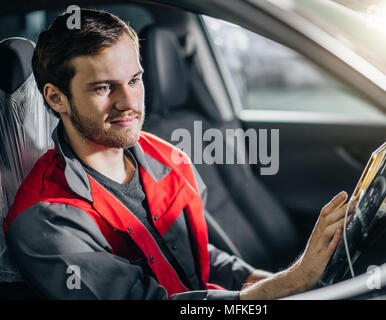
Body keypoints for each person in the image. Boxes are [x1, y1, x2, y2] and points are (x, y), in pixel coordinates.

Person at [3, 9, 354, 300]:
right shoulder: (45, 219)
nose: (129, 103)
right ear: (56, 98)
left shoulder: (168, 158)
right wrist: (293, 280)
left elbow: (203, 259)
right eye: (104, 87)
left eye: (135, 80)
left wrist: (288, 284)